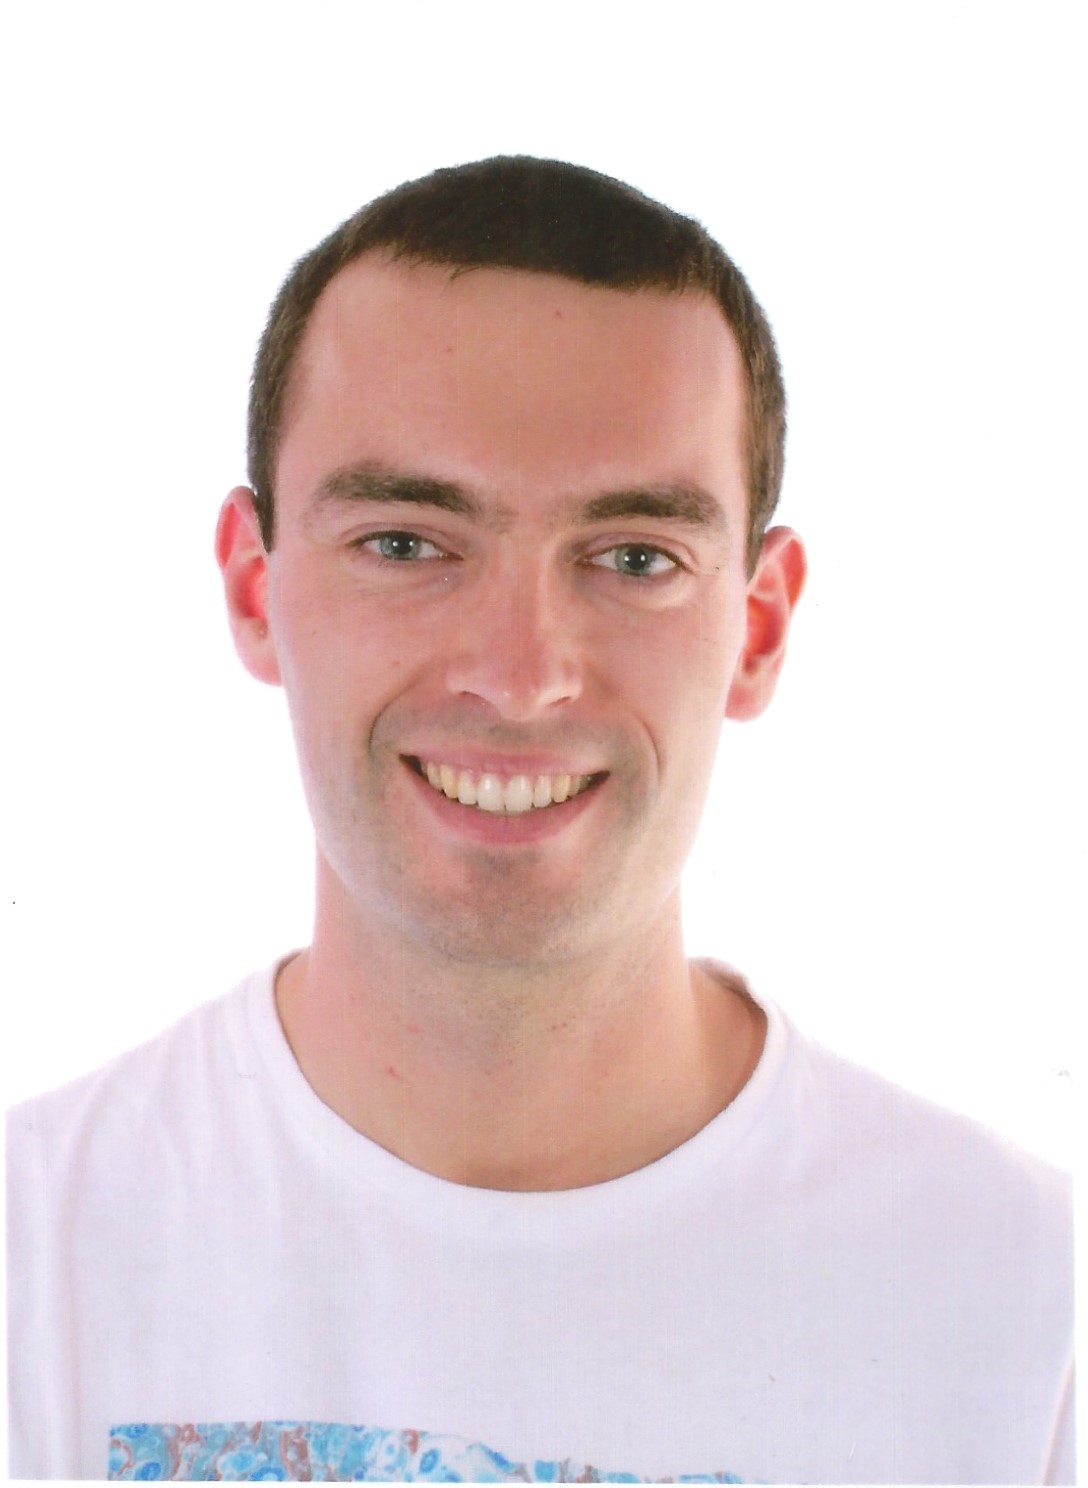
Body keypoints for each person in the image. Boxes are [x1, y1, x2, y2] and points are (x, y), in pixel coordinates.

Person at [6, 156, 1073, 1485]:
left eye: (634, 558)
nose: (519, 676)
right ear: (253, 589)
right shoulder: (31, 1260)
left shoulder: (1032, 1306)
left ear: (757, 626)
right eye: (407, 543)